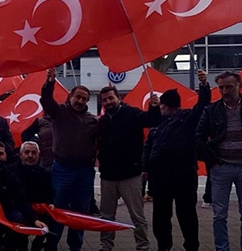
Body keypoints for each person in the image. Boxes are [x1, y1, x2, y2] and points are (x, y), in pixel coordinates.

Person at [142, 70, 209, 251]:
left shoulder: (188, 118)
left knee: (186, 214)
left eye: (162, 105)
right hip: (160, 176)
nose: (161, 109)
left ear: (168, 106)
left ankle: (191, 246)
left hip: (183, 175)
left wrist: (204, 86)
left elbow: (202, 106)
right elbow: (148, 147)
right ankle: (164, 246)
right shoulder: (158, 122)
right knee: (161, 216)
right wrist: (145, 168)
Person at [39, 68, 98, 251]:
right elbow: (46, 101)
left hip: (84, 171)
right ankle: (52, 244)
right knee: (58, 209)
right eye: (77, 97)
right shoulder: (59, 112)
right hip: (62, 169)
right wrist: (50, 82)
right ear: (70, 97)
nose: (80, 101)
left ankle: (75, 246)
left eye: (84, 99)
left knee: (80, 212)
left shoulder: (93, 120)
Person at [97, 85, 161, 251]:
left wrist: (154, 107)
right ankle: (106, 245)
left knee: (137, 216)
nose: (108, 102)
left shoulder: (132, 114)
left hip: (130, 175)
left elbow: (153, 120)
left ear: (118, 98)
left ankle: (143, 246)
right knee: (107, 216)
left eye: (111, 98)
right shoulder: (102, 122)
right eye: (104, 100)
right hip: (108, 176)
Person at [195, 70, 242, 251]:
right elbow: (198, 137)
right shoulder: (212, 110)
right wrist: (211, 161)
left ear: (238, 86)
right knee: (219, 215)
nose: (224, 91)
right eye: (221, 87)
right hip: (220, 167)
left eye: (229, 87)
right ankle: (222, 249)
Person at [10, 141, 54, 251]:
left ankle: (38, 245)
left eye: (34, 153)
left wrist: (50, 203)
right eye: (27, 152)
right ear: (20, 155)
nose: (30, 156)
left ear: (38, 155)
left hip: (38, 208)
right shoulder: (10, 171)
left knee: (52, 221)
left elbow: (49, 193)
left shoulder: (44, 173)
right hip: (18, 208)